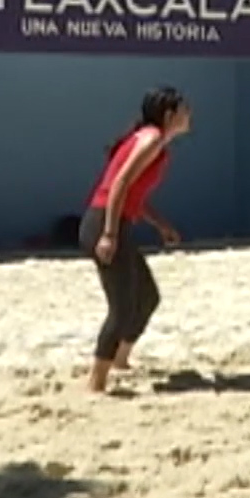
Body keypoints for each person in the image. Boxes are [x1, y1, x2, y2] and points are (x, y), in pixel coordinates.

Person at [81, 86, 191, 394]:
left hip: (114, 223)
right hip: (103, 223)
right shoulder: (152, 138)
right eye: (184, 109)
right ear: (169, 115)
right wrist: (109, 234)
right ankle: (96, 382)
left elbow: (133, 195)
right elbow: (117, 186)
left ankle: (120, 360)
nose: (189, 114)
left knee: (148, 297)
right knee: (122, 308)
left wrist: (160, 225)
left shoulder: (152, 141)